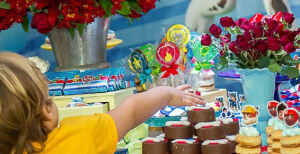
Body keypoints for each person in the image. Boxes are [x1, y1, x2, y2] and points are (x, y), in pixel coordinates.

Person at [0, 52, 205, 154]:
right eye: (49, 100)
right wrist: (168, 93)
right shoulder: (78, 136)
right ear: (46, 113)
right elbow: (132, 110)